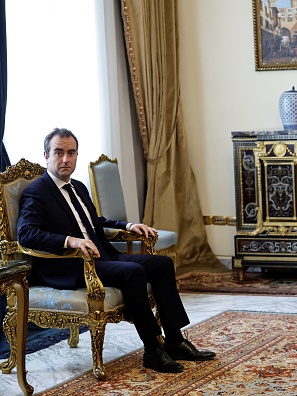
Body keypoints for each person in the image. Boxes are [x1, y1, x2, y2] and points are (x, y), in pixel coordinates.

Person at [17, 128, 216, 373]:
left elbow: (94, 221)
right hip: (71, 265)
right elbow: (26, 233)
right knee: (132, 272)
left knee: (163, 264)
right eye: (58, 152)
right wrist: (71, 241)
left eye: (71, 152)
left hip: (103, 255)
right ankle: (153, 349)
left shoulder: (78, 187)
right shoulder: (36, 192)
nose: (66, 159)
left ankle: (174, 341)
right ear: (46, 156)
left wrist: (128, 225)